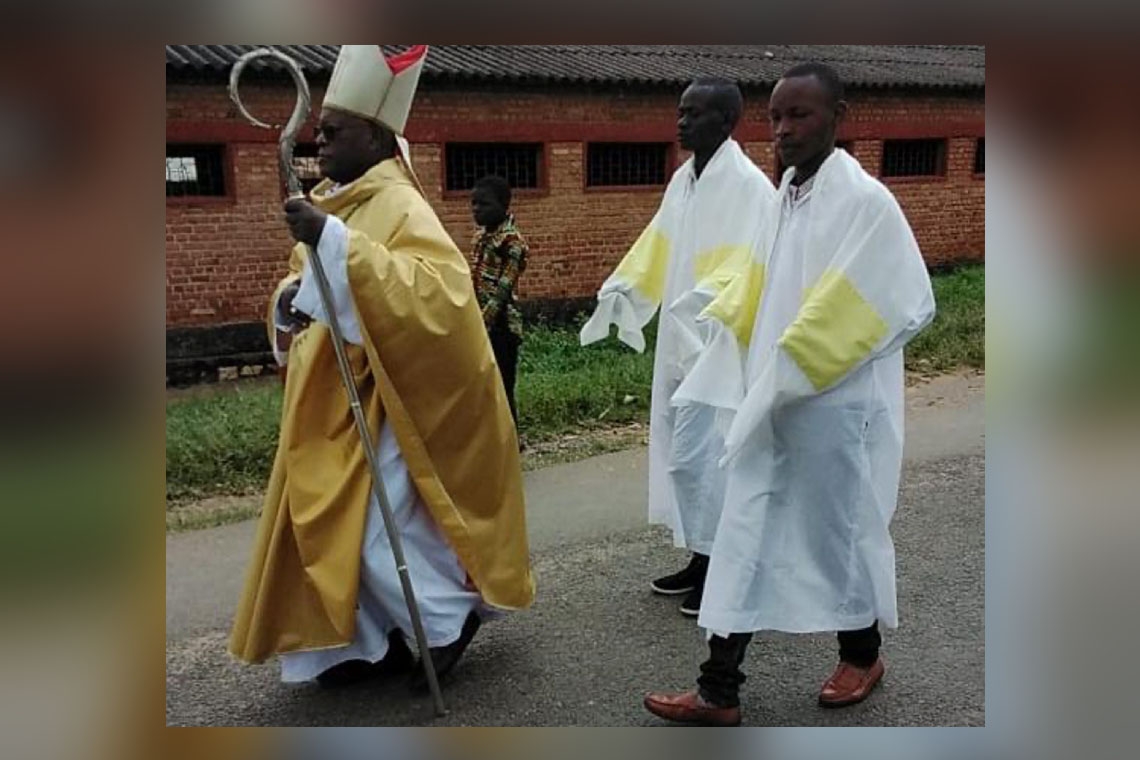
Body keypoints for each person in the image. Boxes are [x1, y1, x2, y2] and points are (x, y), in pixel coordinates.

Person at [229, 45, 535, 691]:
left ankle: (445, 627)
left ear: (375, 133)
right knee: (326, 530)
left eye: (334, 132)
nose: (321, 143)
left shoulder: (400, 204)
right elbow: (300, 286)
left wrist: (334, 243)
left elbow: (441, 299)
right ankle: (364, 644)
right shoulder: (338, 198)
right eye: (318, 132)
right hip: (329, 402)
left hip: (392, 403)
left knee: (369, 532)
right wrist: (289, 302)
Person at [644, 62, 936, 725]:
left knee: (839, 534)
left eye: (799, 115)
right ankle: (719, 688)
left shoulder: (866, 203)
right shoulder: (785, 195)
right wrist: (724, 332)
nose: (784, 129)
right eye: (775, 117)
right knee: (744, 529)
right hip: (770, 402)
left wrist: (792, 371)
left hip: (833, 408)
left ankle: (862, 654)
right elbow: (758, 284)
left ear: (840, 116)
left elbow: (901, 299)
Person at [580, 77, 776, 617]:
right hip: (679, 340)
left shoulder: (750, 188)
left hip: (718, 344)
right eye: (680, 112)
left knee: (706, 457)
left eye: (694, 113)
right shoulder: (684, 181)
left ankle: (721, 568)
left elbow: (752, 265)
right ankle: (699, 554)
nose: (681, 122)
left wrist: (711, 300)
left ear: (727, 121)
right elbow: (657, 244)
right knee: (679, 455)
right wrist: (625, 286)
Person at [470, 175, 529, 427]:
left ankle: (511, 443)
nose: (476, 209)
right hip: (479, 322)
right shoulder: (481, 237)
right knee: (482, 387)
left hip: (502, 326)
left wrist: (483, 320)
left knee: (503, 385)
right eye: (473, 203)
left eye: (483, 204)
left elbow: (504, 288)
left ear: (503, 206)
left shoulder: (512, 241)